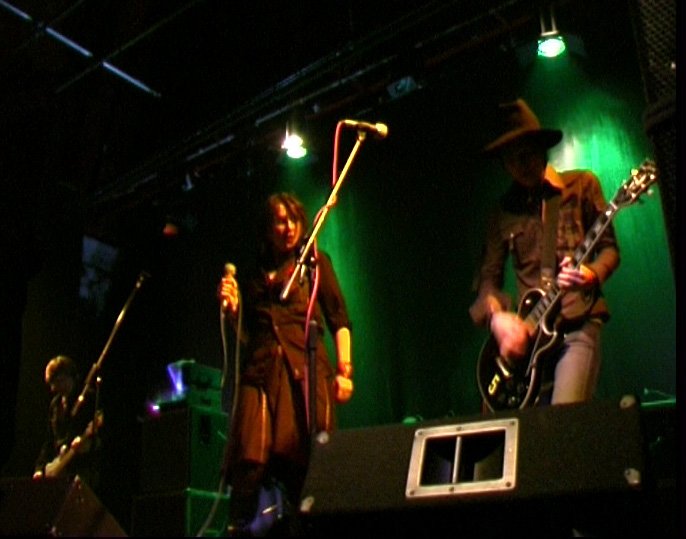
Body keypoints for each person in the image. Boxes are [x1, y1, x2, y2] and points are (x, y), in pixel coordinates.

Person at [469, 98, 620, 410]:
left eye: (525, 155)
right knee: (505, 429)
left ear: (541, 149)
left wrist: (590, 274)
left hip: (577, 322)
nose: (519, 165)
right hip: (530, 338)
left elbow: (609, 250)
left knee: (561, 421)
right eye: (510, 160)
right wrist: (497, 319)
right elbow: (487, 281)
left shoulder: (581, 185)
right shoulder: (501, 212)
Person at [218, 192, 353, 536]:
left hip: (304, 372)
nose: (289, 227)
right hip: (261, 373)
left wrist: (345, 370)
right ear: (267, 229)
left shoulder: (314, 264)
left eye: (293, 220)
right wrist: (233, 313)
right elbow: (248, 335)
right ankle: (238, 527)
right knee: (249, 460)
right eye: (280, 221)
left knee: (304, 463)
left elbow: (339, 319)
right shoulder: (254, 276)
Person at [32, 355, 102, 488]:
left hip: (81, 468)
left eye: (56, 382)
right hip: (59, 465)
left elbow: (98, 436)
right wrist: (39, 468)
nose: (53, 388)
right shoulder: (55, 404)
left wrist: (85, 442)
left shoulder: (88, 398)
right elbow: (49, 440)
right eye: (51, 383)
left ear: (67, 377)